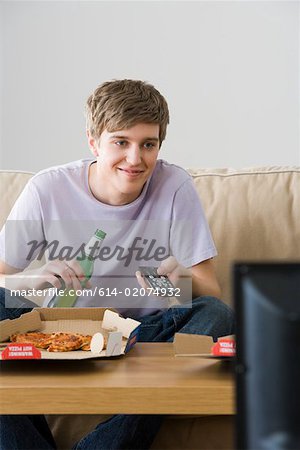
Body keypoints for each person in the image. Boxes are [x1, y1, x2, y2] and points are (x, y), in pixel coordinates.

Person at [0, 79, 235, 450]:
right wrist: (36, 279)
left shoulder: (175, 187)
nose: (135, 159)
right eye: (121, 142)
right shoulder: (47, 189)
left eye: (148, 144)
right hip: (57, 336)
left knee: (216, 314)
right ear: (94, 141)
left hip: (142, 340)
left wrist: (180, 282)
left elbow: (210, 290)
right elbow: (2, 279)